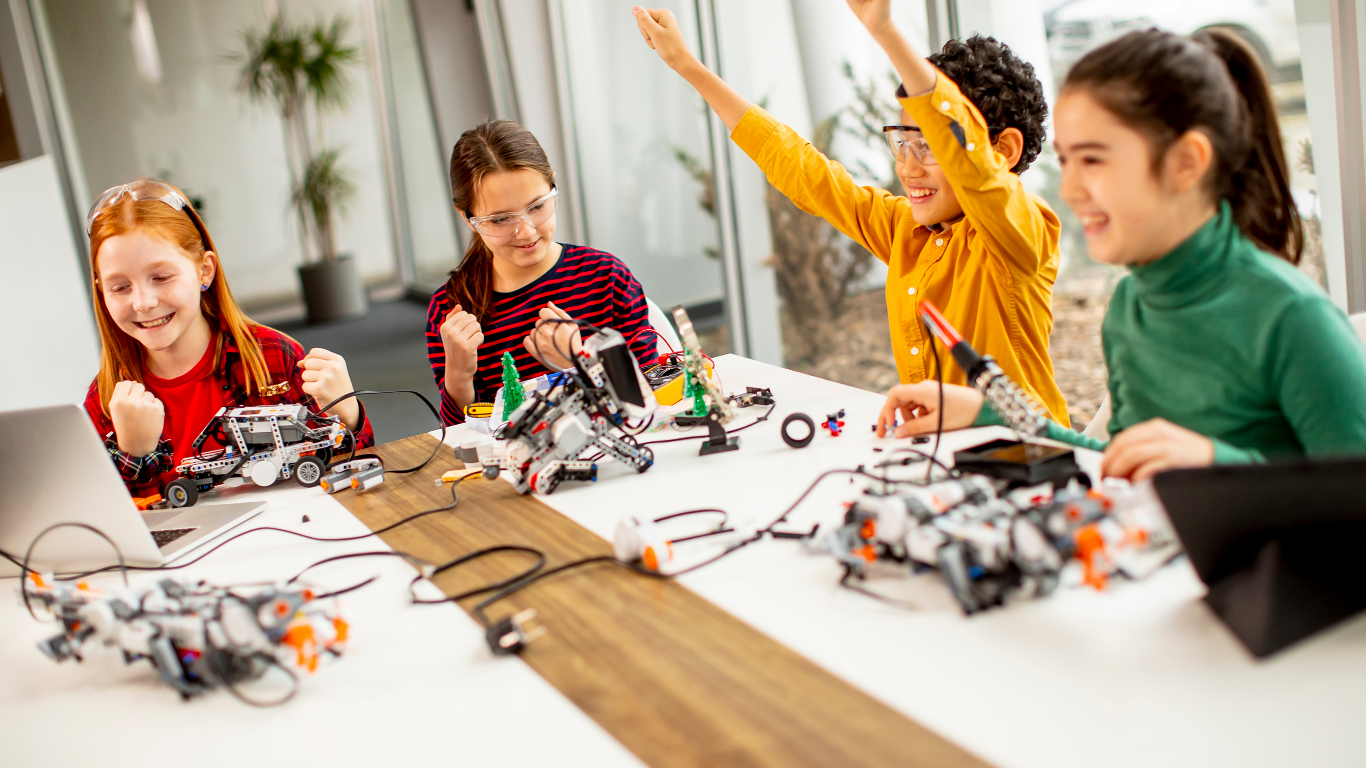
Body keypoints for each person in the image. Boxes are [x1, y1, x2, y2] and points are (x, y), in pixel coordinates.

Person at [875, 28, 1366, 481]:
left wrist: (1217, 465)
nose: (1069, 189)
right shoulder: (1131, 306)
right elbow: (1113, 459)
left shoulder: (1292, 316)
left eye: (1093, 160)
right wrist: (985, 411)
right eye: (1067, 162)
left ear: (1186, 163)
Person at [632, 2, 1070, 425]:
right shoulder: (905, 229)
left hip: (1028, 454)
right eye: (903, 141)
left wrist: (886, 32)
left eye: (930, 147)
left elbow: (978, 174)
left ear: (1003, 151)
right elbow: (805, 170)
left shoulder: (1024, 230)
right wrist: (688, 65)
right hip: (941, 454)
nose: (908, 167)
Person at [83, 179, 374, 498]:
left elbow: (349, 476)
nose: (143, 302)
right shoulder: (105, 400)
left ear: (204, 271)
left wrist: (348, 414)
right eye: (120, 287)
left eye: (162, 277)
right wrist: (133, 454)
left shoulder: (274, 358)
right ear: (101, 291)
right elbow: (114, 526)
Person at [427, 119, 655, 425]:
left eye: (537, 206)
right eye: (500, 219)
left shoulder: (606, 278)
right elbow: (463, 441)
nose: (526, 231)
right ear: (469, 219)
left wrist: (577, 363)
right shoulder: (450, 308)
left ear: (553, 186)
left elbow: (652, 400)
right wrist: (457, 377)